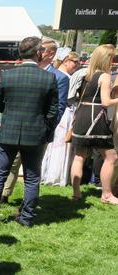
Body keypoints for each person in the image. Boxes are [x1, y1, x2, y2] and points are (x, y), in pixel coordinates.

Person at [0, 36, 58, 227]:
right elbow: (52, 112)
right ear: (37, 52)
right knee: (32, 179)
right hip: (36, 135)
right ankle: (26, 218)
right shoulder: (48, 78)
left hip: (8, 133)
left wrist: (11, 114)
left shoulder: (8, 75)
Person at [0, 38, 68, 201]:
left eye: (42, 49)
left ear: (50, 53)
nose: (37, 51)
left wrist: (46, 129)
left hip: (39, 132)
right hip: (14, 130)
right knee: (11, 165)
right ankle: (4, 194)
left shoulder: (60, 78)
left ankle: (28, 204)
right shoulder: (22, 70)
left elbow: (59, 108)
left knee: (32, 171)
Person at [70, 44, 118, 204]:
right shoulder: (104, 76)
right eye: (112, 58)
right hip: (95, 118)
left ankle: (76, 193)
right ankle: (107, 194)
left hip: (82, 115)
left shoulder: (86, 74)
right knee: (111, 156)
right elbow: (105, 102)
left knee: (79, 156)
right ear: (107, 59)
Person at [41, 50, 80, 186]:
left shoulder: (59, 75)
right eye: (75, 62)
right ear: (66, 61)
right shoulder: (64, 78)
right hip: (62, 115)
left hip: (61, 114)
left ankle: (50, 174)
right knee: (59, 145)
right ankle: (55, 176)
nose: (77, 65)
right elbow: (63, 101)